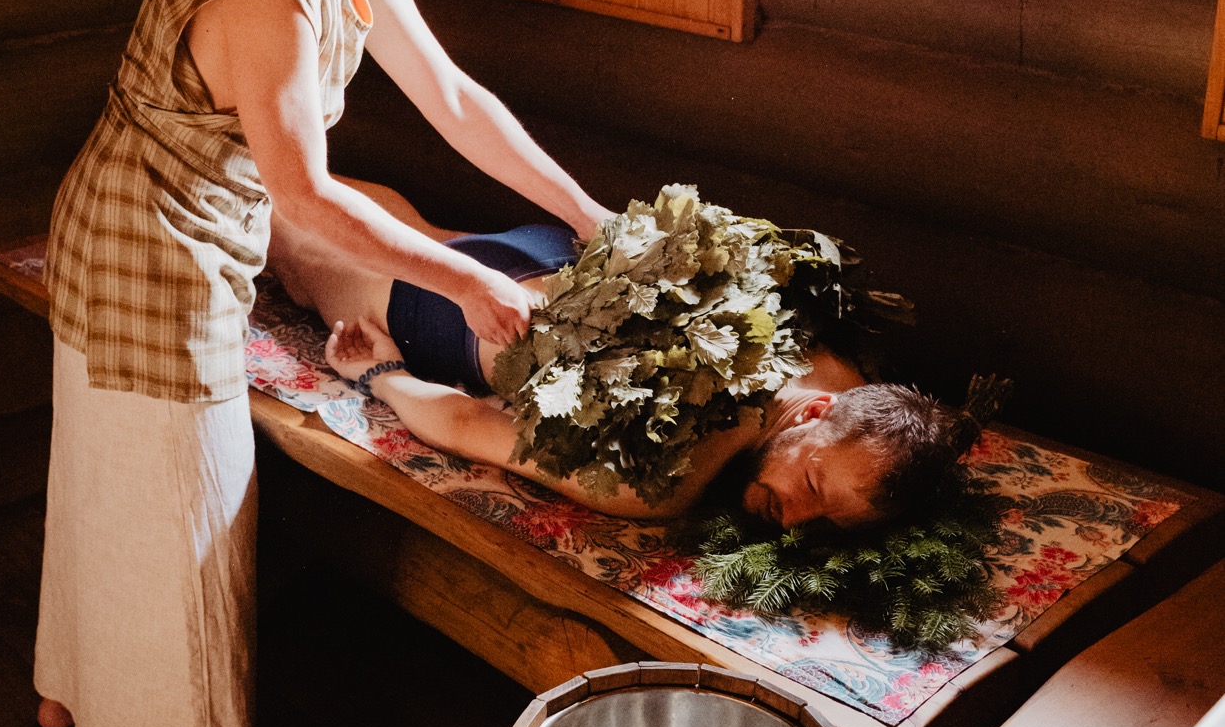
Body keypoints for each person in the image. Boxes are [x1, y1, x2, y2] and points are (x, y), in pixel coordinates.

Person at [34, 0, 611, 727]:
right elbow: (304, 191)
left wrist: (584, 211)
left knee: (112, 480)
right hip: (146, 246)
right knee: (194, 511)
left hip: (173, 229)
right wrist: (471, 277)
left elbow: (452, 99)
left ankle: (62, 695)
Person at [268, 181, 963, 533]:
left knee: (374, 215)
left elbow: (913, 437)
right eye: (809, 489)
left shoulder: (844, 379)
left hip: (550, 259)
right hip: (452, 320)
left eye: (827, 521)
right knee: (287, 242)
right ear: (816, 408)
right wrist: (379, 376)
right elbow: (469, 426)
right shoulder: (662, 482)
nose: (795, 522)